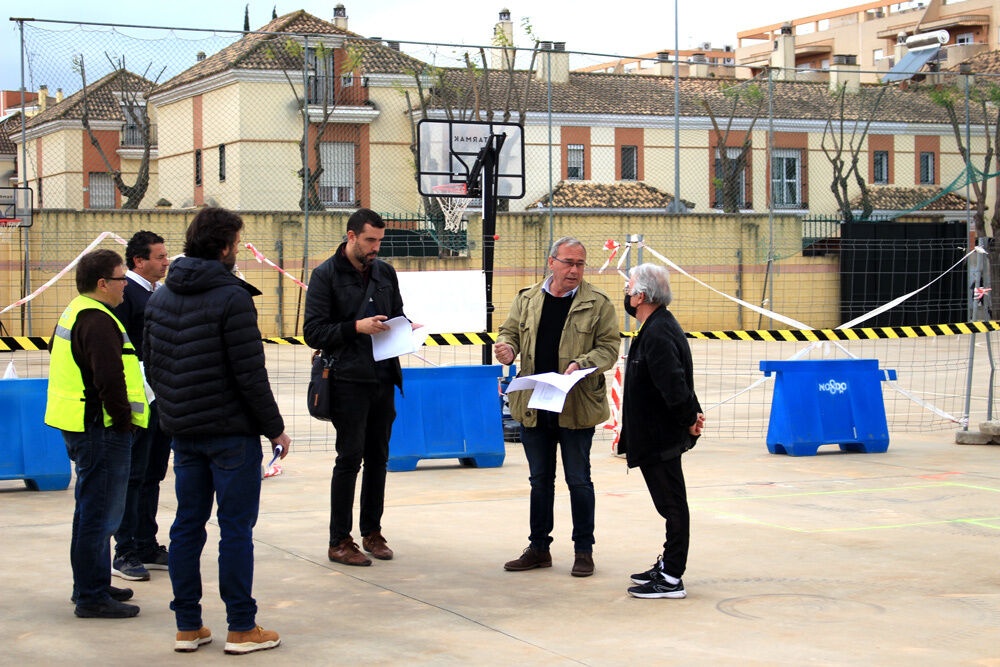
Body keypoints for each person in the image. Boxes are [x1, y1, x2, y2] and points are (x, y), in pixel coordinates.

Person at [144, 207, 290, 654]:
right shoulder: (232, 298)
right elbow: (250, 374)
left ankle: (188, 625)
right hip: (231, 434)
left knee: (187, 526)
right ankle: (242, 627)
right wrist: (275, 429)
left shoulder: (160, 298)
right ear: (225, 246)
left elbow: (153, 364)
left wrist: (175, 412)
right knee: (235, 529)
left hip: (184, 432)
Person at [495, 237, 619, 578]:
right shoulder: (528, 299)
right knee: (540, 481)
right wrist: (506, 347)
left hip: (575, 404)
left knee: (579, 480)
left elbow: (609, 347)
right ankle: (538, 548)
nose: (575, 270)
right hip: (536, 402)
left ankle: (583, 551)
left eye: (580, 264)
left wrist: (583, 363)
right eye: (568, 263)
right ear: (552, 262)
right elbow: (509, 333)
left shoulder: (598, 303)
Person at [45, 249, 150, 619]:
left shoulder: (79, 311)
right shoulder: (96, 319)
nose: (125, 286)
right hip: (100, 430)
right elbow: (109, 378)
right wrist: (123, 421)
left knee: (91, 512)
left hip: (83, 426)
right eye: (121, 279)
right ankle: (91, 596)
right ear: (103, 283)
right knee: (99, 516)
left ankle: (92, 584)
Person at [304, 208, 409, 567]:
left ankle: (372, 532)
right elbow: (313, 332)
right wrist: (355, 328)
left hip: (383, 377)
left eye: (380, 240)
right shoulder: (325, 275)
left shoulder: (385, 273)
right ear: (351, 237)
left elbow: (396, 314)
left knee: (379, 458)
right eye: (370, 240)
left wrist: (407, 328)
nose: (376, 247)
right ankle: (339, 539)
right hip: (347, 381)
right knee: (349, 459)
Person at [618, 263, 705, 600]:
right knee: (669, 504)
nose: (626, 294)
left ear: (641, 295)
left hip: (660, 437)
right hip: (656, 433)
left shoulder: (657, 331)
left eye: (629, 289)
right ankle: (668, 565)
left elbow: (674, 382)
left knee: (672, 505)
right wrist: (693, 413)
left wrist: (688, 417)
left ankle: (671, 577)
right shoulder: (658, 325)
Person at [111, 231, 172, 583]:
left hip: (160, 398)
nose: (165, 261)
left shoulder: (158, 294)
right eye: (159, 256)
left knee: (153, 474)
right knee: (133, 476)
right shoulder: (126, 297)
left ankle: (147, 543)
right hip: (139, 401)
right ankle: (125, 550)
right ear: (138, 261)